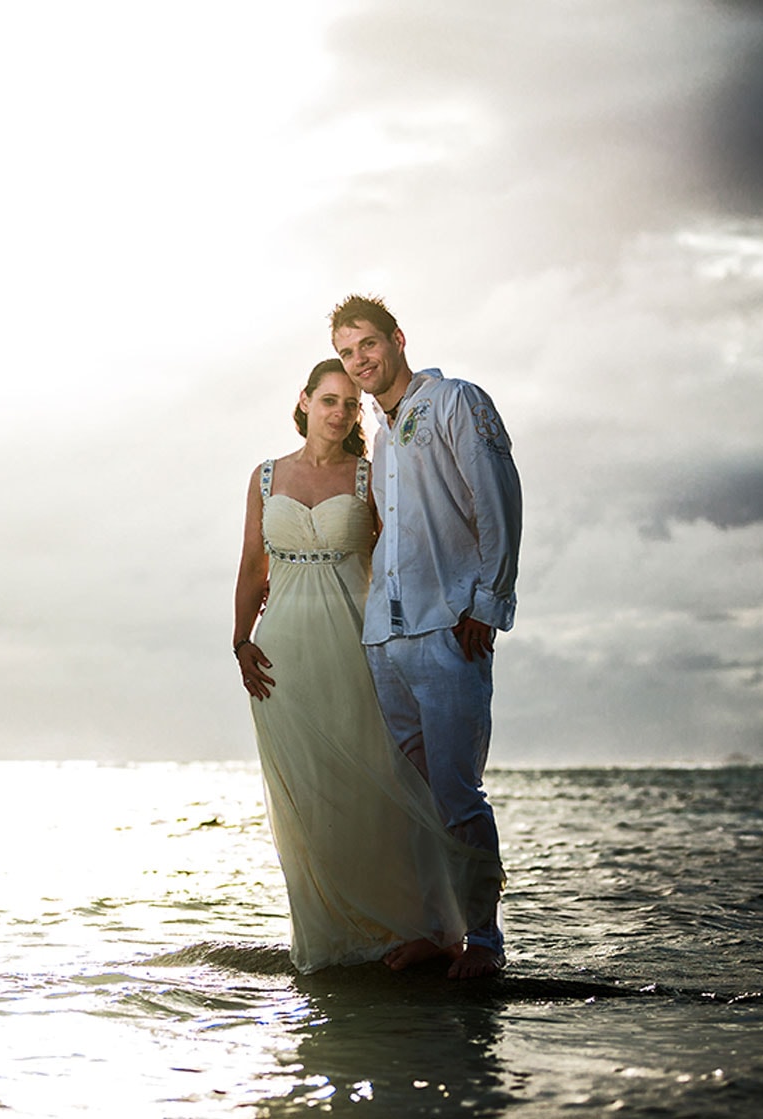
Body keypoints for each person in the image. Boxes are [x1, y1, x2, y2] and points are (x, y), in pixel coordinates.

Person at [233, 359, 503, 975]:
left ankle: (425, 927)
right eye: (328, 400)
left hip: (358, 642)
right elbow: (253, 564)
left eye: (350, 405)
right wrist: (240, 640)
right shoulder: (265, 475)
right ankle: (335, 936)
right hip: (282, 656)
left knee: (387, 789)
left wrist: (467, 599)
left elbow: (408, 546)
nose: (339, 412)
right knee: (309, 798)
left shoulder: (369, 473)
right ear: (303, 401)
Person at [329, 294, 523, 979]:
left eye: (368, 346)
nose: (360, 362)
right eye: (348, 354)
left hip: (450, 630)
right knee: (415, 797)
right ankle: (436, 932)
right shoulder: (381, 441)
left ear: (397, 338)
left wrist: (488, 602)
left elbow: (498, 498)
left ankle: (485, 941)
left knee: (458, 790)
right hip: (388, 638)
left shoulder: (457, 403)